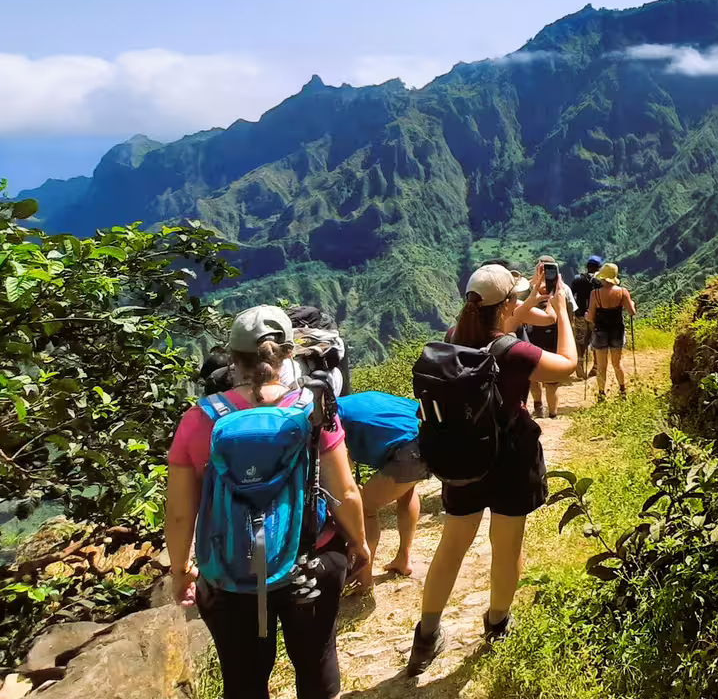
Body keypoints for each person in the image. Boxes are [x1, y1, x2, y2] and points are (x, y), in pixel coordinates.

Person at [165, 306, 372, 699]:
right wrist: (360, 545)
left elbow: (179, 513)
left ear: (232, 358)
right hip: (310, 563)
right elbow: (345, 492)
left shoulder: (198, 419)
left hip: (229, 571)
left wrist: (181, 571)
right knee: (316, 661)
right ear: (289, 354)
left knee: (243, 680)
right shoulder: (311, 409)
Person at [407, 264, 577, 676]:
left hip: (462, 457)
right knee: (506, 546)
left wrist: (526, 302)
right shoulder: (513, 352)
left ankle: (426, 635)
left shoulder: (453, 338)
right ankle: (498, 622)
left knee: (452, 546)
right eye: (514, 300)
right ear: (505, 305)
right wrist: (562, 312)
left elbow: (496, 322)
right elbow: (567, 365)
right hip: (509, 460)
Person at [335, 389, 427, 576]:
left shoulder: (331, 420)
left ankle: (364, 577)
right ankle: (404, 559)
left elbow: (341, 465)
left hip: (408, 450)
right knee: (406, 490)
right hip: (427, 436)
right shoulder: (351, 403)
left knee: (364, 508)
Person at [517, 255, 578, 418]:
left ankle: (539, 407)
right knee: (551, 378)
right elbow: (570, 312)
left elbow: (517, 310)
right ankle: (552, 414)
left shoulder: (527, 288)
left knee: (534, 373)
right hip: (555, 333)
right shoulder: (563, 289)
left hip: (531, 333)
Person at [586, 263, 636, 402]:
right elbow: (632, 312)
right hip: (617, 330)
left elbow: (590, 317)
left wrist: (586, 317)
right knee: (617, 363)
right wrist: (632, 304)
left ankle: (602, 394)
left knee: (601, 366)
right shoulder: (622, 292)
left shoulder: (595, 294)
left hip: (600, 331)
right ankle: (622, 391)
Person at [569, 256, 603, 382]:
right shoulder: (599, 281)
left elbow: (571, 296)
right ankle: (595, 366)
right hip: (596, 315)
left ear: (587, 266)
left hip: (580, 313)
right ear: (599, 267)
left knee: (581, 340)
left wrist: (572, 313)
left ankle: (580, 364)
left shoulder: (578, 279)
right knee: (596, 339)